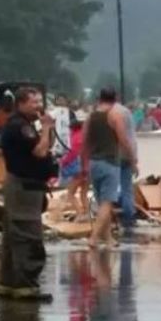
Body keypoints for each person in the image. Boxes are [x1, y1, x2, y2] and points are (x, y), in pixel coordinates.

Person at [0, 87, 56, 302]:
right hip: (24, 187)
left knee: (12, 237)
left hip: (22, 185)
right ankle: (26, 287)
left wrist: (45, 130)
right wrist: (48, 127)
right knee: (27, 235)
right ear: (21, 103)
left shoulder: (24, 125)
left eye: (40, 101)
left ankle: (9, 283)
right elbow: (40, 151)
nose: (39, 106)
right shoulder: (20, 127)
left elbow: (42, 147)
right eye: (34, 102)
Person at [83, 87, 137, 248]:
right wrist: (133, 159)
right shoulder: (115, 115)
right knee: (107, 203)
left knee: (101, 204)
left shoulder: (90, 117)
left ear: (99, 98)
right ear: (116, 98)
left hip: (94, 163)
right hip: (110, 163)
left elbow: (84, 143)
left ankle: (108, 239)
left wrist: (83, 165)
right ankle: (93, 239)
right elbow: (123, 140)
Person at [60, 111, 90, 222]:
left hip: (80, 170)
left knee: (71, 193)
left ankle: (80, 214)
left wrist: (63, 161)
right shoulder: (87, 136)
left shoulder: (75, 137)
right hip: (89, 168)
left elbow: (72, 153)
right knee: (84, 193)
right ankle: (87, 214)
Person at [116, 102, 138, 233]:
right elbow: (131, 140)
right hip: (127, 157)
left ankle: (119, 217)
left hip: (113, 157)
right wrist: (133, 159)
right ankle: (129, 218)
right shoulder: (128, 116)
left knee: (113, 188)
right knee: (127, 189)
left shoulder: (111, 116)